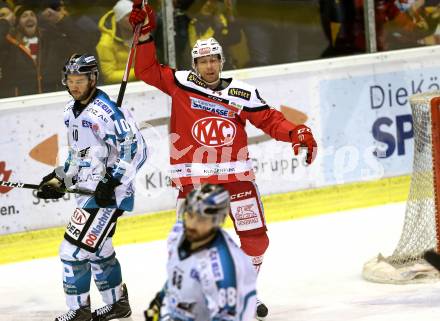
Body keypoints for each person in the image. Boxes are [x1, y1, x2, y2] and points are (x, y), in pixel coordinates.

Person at [130, 1, 317, 319]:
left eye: (214, 59)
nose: (209, 66)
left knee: (256, 242)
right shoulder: (180, 84)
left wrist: (295, 132)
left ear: (221, 61)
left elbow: (270, 120)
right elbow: (146, 70)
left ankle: (243, 292)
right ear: (195, 64)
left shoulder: (242, 93)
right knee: (190, 248)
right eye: (203, 61)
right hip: (196, 185)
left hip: (237, 180)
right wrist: (145, 35)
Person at [37, 53, 147, 321]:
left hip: (106, 196)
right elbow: (79, 156)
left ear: (93, 79)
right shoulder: (70, 112)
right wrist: (60, 178)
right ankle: (117, 304)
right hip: (88, 193)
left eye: (80, 80)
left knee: (72, 251)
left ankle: (79, 312)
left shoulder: (106, 112)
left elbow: (136, 149)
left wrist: (112, 181)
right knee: (99, 249)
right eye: (70, 80)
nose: (74, 85)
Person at [145, 184, 257, 321]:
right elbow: (180, 272)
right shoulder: (178, 233)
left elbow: (226, 317)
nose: (192, 224)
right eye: (190, 215)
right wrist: (160, 299)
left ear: (218, 221)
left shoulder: (223, 269)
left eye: (202, 219)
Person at [96, 0, 137, 84]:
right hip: (118, 87)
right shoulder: (106, 43)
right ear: (119, 20)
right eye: (128, 15)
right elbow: (108, 76)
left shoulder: (143, 34)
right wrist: (137, 73)